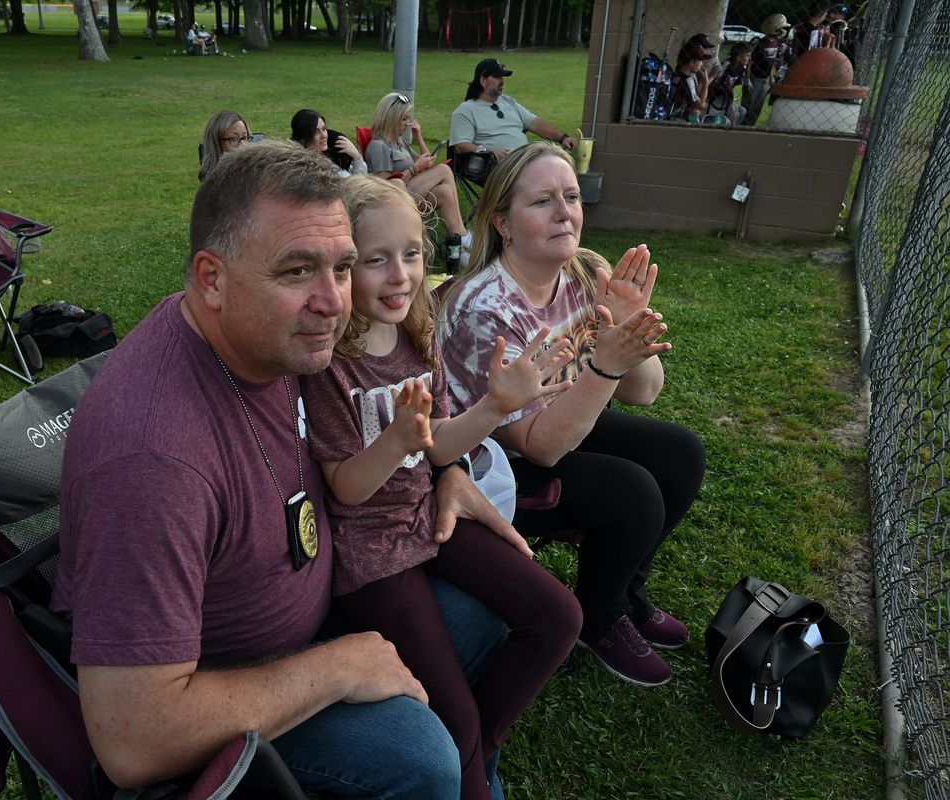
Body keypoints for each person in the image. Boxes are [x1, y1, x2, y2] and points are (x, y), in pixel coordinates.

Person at [52, 139, 523, 798]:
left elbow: (375, 425)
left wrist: (445, 469)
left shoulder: (271, 341)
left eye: (342, 266)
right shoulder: (152, 457)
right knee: (423, 758)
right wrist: (333, 669)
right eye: (298, 270)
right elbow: (132, 737)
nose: (334, 301)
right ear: (211, 278)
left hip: (328, 596)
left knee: (493, 611)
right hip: (231, 682)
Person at [299, 175, 582, 800]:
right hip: (372, 556)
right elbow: (345, 489)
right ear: (343, 268)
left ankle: (481, 753)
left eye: (412, 254)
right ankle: (472, 764)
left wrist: (491, 407)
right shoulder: (329, 363)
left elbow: (440, 446)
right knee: (453, 719)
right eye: (376, 260)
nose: (400, 275)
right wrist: (396, 442)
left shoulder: (414, 336)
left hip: (428, 519)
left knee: (557, 617)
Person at [439, 142, 706, 688]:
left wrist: (629, 328)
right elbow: (537, 445)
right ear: (503, 224)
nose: (565, 211)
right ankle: (600, 619)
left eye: (572, 196)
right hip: (492, 466)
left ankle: (625, 593)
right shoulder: (486, 307)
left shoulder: (581, 275)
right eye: (543, 201)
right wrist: (605, 367)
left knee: (681, 453)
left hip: (562, 420)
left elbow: (645, 393)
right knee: (632, 490)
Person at [365, 91, 472, 270]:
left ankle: (458, 248)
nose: (407, 124)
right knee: (445, 169)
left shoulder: (399, 142)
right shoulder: (378, 146)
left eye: (408, 119)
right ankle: (464, 237)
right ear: (391, 118)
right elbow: (383, 186)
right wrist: (415, 169)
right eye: (404, 119)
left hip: (411, 192)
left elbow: (427, 164)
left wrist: (419, 137)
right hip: (395, 200)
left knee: (444, 192)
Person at [449, 59, 578, 165]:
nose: (502, 81)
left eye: (502, 77)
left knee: (559, 165)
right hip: (498, 166)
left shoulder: (507, 101)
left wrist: (562, 138)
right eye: (497, 77)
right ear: (483, 80)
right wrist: (491, 153)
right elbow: (461, 145)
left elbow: (535, 123)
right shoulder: (466, 110)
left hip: (524, 160)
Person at [290, 108, 368, 177]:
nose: (324, 135)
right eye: (316, 132)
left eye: (324, 129)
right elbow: (356, 188)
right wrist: (357, 158)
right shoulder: (309, 167)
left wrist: (356, 156)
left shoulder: (329, 156)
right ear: (304, 136)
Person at [744, 14, 790, 126]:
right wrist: (747, 78)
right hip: (755, 78)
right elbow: (750, 61)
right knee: (748, 106)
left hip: (766, 79)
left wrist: (771, 76)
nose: (784, 30)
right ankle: (741, 126)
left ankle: (750, 127)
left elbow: (773, 62)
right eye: (782, 28)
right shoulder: (760, 43)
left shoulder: (777, 42)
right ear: (775, 27)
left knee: (758, 107)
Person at [198, 109, 251, 181]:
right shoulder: (214, 185)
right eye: (234, 139)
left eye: (245, 137)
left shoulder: (256, 172)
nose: (243, 145)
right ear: (217, 143)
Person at [669, 43, 713, 122]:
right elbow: (701, 105)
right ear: (692, 62)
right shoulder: (688, 80)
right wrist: (705, 81)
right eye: (700, 60)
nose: (702, 64)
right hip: (677, 119)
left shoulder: (676, 74)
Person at [710, 43, 752, 124]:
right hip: (717, 95)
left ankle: (732, 127)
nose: (749, 58)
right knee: (733, 109)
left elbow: (735, 85)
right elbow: (716, 82)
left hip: (727, 96)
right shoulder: (727, 65)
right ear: (738, 57)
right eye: (747, 55)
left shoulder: (742, 68)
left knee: (743, 111)